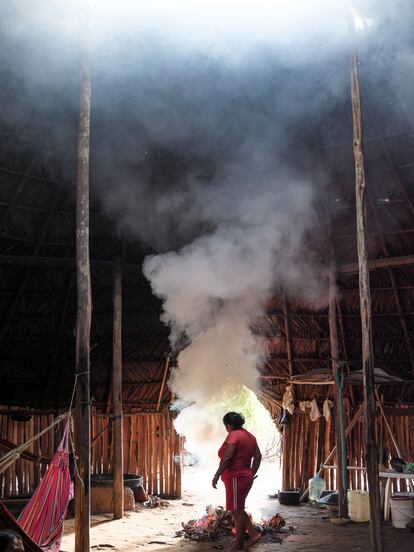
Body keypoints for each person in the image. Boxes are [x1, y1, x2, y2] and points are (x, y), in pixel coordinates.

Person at [212, 412, 262, 550]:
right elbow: (258, 456)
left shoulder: (234, 435)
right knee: (238, 508)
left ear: (229, 425)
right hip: (244, 476)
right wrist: (251, 473)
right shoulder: (250, 436)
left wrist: (216, 475)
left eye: (226, 426)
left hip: (236, 477)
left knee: (237, 510)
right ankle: (253, 534)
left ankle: (239, 544)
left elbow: (227, 457)